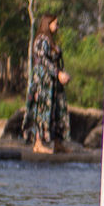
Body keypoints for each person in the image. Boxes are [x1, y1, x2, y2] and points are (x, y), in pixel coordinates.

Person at [21, 14, 72, 154]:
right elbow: (43, 60)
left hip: (53, 83)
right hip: (43, 82)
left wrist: (61, 74)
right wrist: (58, 73)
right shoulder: (41, 40)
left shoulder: (50, 41)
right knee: (41, 111)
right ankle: (38, 143)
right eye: (55, 23)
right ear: (48, 24)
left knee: (56, 111)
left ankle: (57, 143)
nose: (57, 26)